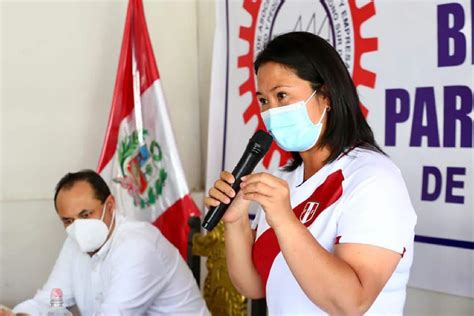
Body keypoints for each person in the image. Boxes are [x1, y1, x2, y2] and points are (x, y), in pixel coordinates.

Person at [205, 31, 417, 315]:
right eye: (264, 101)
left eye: (282, 96)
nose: (272, 112)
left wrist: (284, 219)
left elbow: (351, 303)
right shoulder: (283, 178)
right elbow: (254, 285)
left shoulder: (374, 179)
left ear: (326, 95)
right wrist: (235, 222)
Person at [12, 170, 209, 315]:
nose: (77, 227)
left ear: (110, 205)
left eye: (86, 214)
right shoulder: (74, 243)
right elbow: (49, 300)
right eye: (68, 221)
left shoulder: (138, 245)